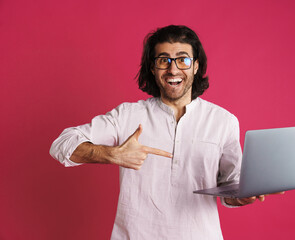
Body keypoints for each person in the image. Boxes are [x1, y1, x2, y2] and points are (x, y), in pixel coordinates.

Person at [50, 25, 269, 240]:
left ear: (195, 66)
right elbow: (61, 144)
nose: (173, 70)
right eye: (164, 60)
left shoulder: (223, 121)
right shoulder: (128, 115)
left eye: (183, 59)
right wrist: (112, 154)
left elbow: (229, 187)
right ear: (153, 68)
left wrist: (242, 195)